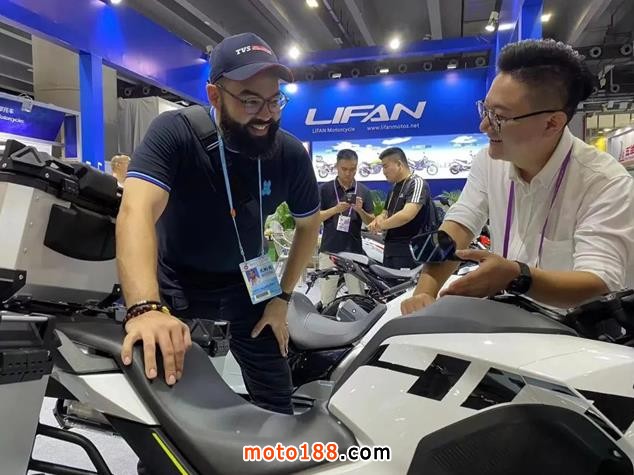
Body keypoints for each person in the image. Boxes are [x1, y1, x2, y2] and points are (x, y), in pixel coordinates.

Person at [116, 32, 321, 415]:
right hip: (175, 280)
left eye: (274, 100)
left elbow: (309, 226)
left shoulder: (289, 154)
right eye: (250, 100)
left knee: (277, 396)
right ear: (214, 95)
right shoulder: (175, 133)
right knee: (167, 396)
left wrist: (282, 299)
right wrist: (144, 307)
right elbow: (135, 210)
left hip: (251, 285)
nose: (266, 114)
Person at [401, 39, 634, 315]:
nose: (484, 125)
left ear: (552, 123)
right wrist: (425, 291)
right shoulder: (488, 162)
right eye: (485, 110)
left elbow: (599, 282)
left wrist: (517, 276)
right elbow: (459, 226)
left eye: (499, 117)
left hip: (574, 332)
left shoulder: (605, 183)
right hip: (508, 323)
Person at [318, 149, 375, 304]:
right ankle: (326, 318)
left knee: (359, 296)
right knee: (327, 297)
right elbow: (315, 218)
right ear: (336, 166)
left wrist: (360, 210)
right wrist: (335, 210)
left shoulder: (363, 191)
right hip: (329, 250)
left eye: (352, 169)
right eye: (344, 169)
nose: (348, 173)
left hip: (354, 252)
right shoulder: (324, 189)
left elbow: (371, 221)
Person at [368, 147, 437, 269]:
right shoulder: (394, 188)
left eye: (385, 166)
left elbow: (407, 215)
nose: (383, 171)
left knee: (407, 282)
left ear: (399, 164)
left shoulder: (416, 183)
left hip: (410, 251)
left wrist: (381, 225)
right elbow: (385, 212)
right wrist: (378, 219)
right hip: (391, 250)